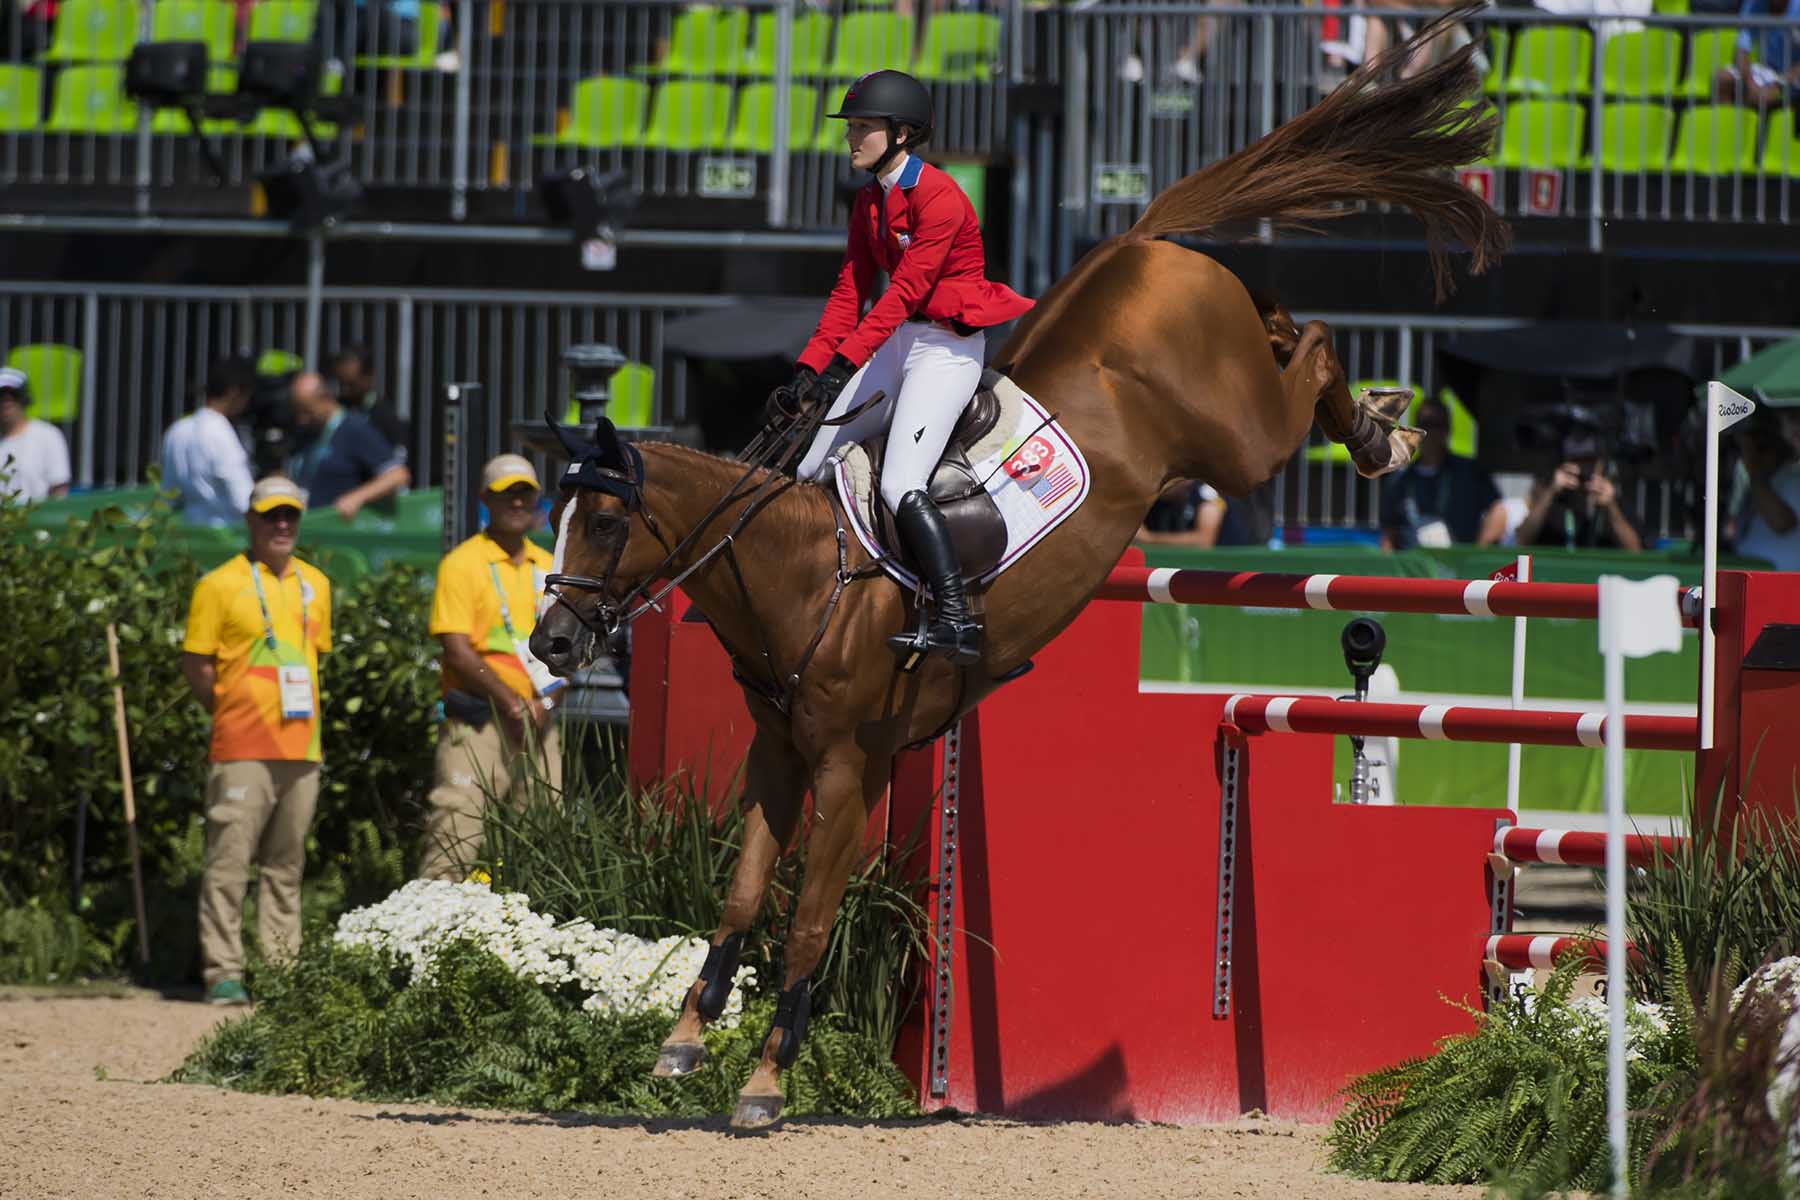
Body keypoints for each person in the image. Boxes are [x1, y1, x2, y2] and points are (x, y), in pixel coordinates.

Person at [785, 69, 1034, 666]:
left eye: (863, 128)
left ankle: (956, 618)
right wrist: (808, 368)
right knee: (809, 465)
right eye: (852, 128)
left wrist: (844, 364)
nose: (851, 138)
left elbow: (902, 295)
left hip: (946, 350)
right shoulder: (870, 200)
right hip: (897, 343)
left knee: (900, 483)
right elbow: (851, 292)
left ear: (901, 134)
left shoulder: (941, 197)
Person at [179, 476, 332, 1004]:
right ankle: (224, 972)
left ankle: (282, 972)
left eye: (290, 514)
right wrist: (228, 711)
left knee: (286, 868)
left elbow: (314, 659)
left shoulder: (317, 583)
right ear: (250, 521)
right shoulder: (219, 584)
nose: (282, 524)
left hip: (302, 746)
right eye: (271, 515)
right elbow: (196, 663)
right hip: (241, 745)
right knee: (228, 864)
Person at [418, 454, 563, 882]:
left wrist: (549, 701)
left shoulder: (549, 565)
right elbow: (457, 652)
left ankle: (529, 939)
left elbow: (566, 648)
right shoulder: (461, 564)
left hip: (540, 720)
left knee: (543, 841)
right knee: (456, 832)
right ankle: (431, 930)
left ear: (537, 499)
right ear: (485, 499)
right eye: (506, 494)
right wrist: (512, 701)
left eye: (525, 493)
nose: (517, 502)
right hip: (479, 720)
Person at [1378, 397, 1506, 550]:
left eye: (1437, 425)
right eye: (1425, 425)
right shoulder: (1399, 480)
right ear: (1415, 430)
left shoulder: (1469, 472)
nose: (1430, 433)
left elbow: (1498, 511)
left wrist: (1476, 554)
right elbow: (1389, 535)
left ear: (1448, 429)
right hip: (1414, 568)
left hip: (1458, 564)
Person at [287, 371, 410, 519]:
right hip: (306, 527)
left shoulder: (354, 429)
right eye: (298, 411)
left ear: (325, 399)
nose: (302, 419)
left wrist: (357, 497)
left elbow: (397, 475)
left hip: (337, 530)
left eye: (307, 411)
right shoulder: (307, 432)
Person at [160, 356, 259, 527]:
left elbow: (169, 496)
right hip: (225, 536)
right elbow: (243, 499)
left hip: (190, 535)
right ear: (235, 393)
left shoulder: (177, 429)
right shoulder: (220, 432)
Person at [1513, 428, 1644, 552]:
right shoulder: (1554, 502)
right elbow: (1521, 541)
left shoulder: (1614, 502)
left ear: (1601, 464)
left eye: (1590, 461)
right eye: (1577, 461)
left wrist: (1611, 507)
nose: (1584, 468)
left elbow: (1634, 551)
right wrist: (1550, 492)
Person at [1729, 411, 1800, 570]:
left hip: (1780, 584)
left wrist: (1754, 471)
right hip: (1752, 578)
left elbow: (1782, 522)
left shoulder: (1793, 479)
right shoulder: (1763, 482)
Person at [0, 365, 71, 504]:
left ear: (24, 398)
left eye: (13, 395)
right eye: (0, 396)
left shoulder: (48, 435)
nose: (6, 401)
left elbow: (59, 491)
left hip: (35, 521)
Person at [1714, 0, 1799, 108]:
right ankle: (1728, 123)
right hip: (1769, 71)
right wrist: (1750, 83)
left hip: (1794, 77)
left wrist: (1778, 86)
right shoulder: (1753, 3)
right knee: (1721, 79)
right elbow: (1742, 50)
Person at [329, 343, 409, 453]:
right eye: (341, 384)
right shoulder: (335, 409)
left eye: (351, 385)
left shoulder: (384, 416)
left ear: (369, 377)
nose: (345, 391)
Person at [1138, 480, 1226, 547]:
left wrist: (1150, 539)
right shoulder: (1156, 499)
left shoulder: (1204, 492)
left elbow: (1204, 540)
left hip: (1225, 562)